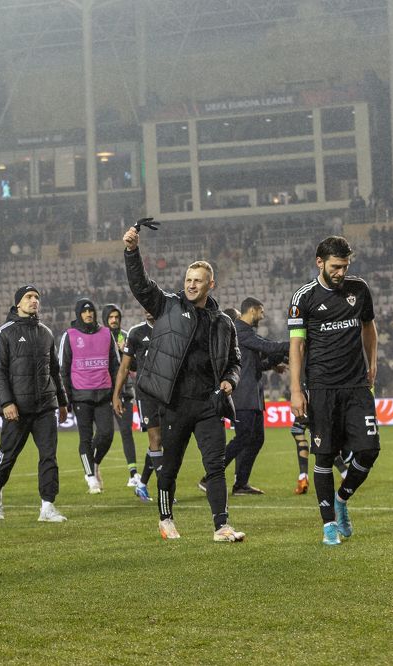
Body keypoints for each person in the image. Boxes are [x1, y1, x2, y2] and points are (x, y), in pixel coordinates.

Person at [123, 225, 245, 542]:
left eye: (197, 281)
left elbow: (235, 362)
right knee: (170, 466)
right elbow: (140, 286)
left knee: (215, 466)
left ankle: (221, 526)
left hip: (208, 404)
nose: (191, 285)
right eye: (188, 280)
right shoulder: (168, 306)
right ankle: (165, 520)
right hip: (174, 403)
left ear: (210, 284)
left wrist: (229, 382)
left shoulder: (224, 322)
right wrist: (132, 252)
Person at [288, 236, 380, 546]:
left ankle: (341, 499)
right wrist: (296, 390)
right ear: (320, 263)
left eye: (345, 266)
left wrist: (372, 363)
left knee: (369, 450)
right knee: (324, 456)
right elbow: (297, 345)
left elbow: (369, 328)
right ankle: (328, 524)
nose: (341, 272)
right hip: (322, 388)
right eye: (336, 267)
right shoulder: (303, 297)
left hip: (357, 386)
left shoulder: (359, 289)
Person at [0, 285, 69, 523]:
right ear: (18, 303)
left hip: (46, 407)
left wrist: (62, 401)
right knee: (7, 455)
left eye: (36, 297)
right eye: (29, 297)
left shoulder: (46, 332)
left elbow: (54, 371)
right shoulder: (4, 332)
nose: (34, 300)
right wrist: (7, 402)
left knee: (49, 456)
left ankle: (47, 506)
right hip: (18, 409)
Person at [221, 297, 288, 495]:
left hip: (254, 396)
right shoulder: (239, 331)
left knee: (256, 439)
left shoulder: (248, 333)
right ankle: (211, 475)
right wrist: (294, 344)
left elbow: (256, 363)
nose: (263, 315)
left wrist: (275, 362)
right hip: (243, 395)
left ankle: (241, 484)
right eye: (261, 311)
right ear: (252, 310)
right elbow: (267, 347)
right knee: (243, 437)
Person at [59, 298, 119, 493]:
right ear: (78, 314)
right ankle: (90, 476)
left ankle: (94, 463)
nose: (88, 314)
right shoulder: (69, 335)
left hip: (104, 394)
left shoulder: (106, 334)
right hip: (80, 396)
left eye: (90, 311)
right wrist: (65, 398)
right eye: (84, 311)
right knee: (85, 438)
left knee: (107, 434)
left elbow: (115, 365)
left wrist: (116, 393)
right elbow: (63, 370)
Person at [113, 312, 160, 502]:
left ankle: (142, 484)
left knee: (166, 442)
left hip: (168, 394)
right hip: (146, 395)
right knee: (156, 438)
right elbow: (125, 367)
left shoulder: (171, 328)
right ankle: (165, 489)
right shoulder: (136, 332)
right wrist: (116, 394)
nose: (148, 309)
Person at [102, 304, 141, 487]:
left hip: (125, 392)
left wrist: (124, 351)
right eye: (110, 317)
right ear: (105, 319)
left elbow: (135, 366)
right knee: (103, 435)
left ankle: (133, 474)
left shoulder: (125, 337)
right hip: (103, 393)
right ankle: (92, 468)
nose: (114, 320)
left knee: (126, 432)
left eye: (116, 317)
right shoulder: (99, 337)